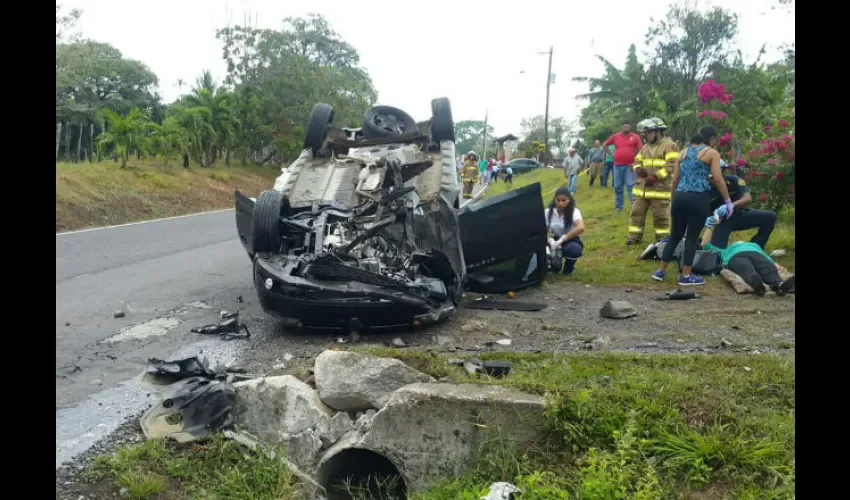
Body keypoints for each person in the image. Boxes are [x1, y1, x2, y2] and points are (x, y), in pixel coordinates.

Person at [652, 126, 733, 286]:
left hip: (680, 197)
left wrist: (673, 200)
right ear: (711, 139)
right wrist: (728, 201)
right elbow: (717, 178)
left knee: (675, 236)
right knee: (691, 238)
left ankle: (660, 271)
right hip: (698, 197)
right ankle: (686, 276)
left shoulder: (683, 153)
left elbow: (675, 179)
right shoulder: (711, 153)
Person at [700, 223, 795, 297]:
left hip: (755, 254)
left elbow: (766, 257)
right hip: (735, 257)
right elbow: (705, 245)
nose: (740, 241)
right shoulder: (726, 250)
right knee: (746, 268)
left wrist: (775, 264)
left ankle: (780, 286)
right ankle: (758, 285)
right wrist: (711, 226)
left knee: (767, 268)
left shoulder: (754, 245)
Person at [628, 117, 679, 245]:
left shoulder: (670, 146)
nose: (646, 135)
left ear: (658, 131)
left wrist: (656, 176)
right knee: (636, 213)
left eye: (649, 132)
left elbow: (671, 165)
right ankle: (633, 238)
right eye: (645, 133)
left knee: (660, 216)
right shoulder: (645, 147)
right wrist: (638, 168)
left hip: (660, 189)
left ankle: (662, 240)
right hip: (642, 189)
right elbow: (637, 160)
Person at [707, 161, 777, 249]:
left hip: (738, 215)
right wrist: (706, 218)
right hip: (719, 221)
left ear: (723, 171)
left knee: (770, 217)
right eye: (712, 175)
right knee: (717, 252)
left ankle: (754, 248)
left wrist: (732, 205)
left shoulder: (734, 180)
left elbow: (747, 198)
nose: (714, 178)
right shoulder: (705, 187)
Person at [603, 123, 643, 211]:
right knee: (617, 186)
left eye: (628, 125)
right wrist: (612, 155)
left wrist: (635, 158)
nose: (626, 127)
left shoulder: (635, 137)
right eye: (624, 126)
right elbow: (605, 145)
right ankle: (619, 207)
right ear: (622, 127)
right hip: (617, 165)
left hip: (630, 165)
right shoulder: (615, 137)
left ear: (630, 127)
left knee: (630, 185)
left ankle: (634, 206)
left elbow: (641, 149)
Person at [545, 187, 585, 275]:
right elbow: (544, 231)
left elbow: (581, 227)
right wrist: (550, 240)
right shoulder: (548, 212)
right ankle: (549, 268)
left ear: (569, 200)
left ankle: (568, 269)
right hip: (554, 238)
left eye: (564, 200)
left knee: (574, 250)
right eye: (558, 200)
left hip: (570, 239)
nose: (560, 203)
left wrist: (563, 239)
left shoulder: (574, 211)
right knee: (541, 247)